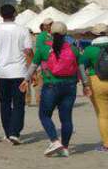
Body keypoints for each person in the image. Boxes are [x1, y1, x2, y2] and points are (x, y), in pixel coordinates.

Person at [23, 21, 85, 157]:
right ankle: (65, 147)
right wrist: (85, 85)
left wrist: (25, 80)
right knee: (66, 118)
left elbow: (33, 66)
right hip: (70, 86)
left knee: (44, 115)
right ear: (65, 33)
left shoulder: (44, 49)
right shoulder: (73, 48)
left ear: (50, 33)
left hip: (51, 85)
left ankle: (55, 141)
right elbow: (80, 68)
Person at [0, 4, 33, 145]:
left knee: (4, 103)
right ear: (15, 14)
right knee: (19, 104)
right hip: (19, 72)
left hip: (2, 73)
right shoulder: (23, 31)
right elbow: (29, 53)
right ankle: (14, 133)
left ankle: (8, 132)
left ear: (1, 15)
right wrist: (32, 72)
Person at [80, 23, 108, 152]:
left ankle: (107, 145)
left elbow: (81, 66)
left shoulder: (89, 50)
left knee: (103, 115)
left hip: (96, 81)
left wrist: (85, 83)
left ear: (93, 35)